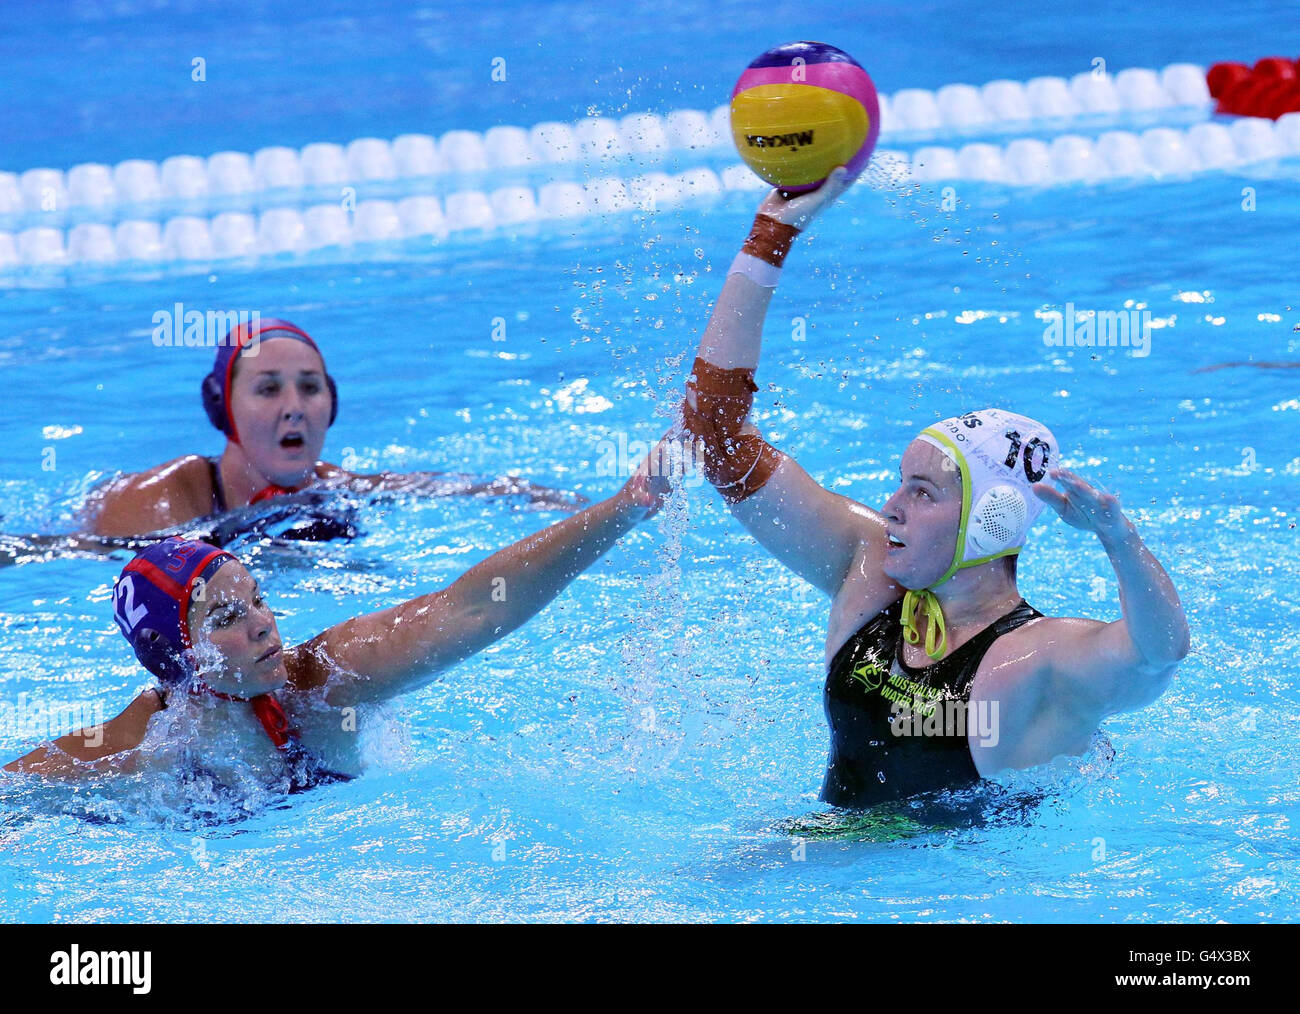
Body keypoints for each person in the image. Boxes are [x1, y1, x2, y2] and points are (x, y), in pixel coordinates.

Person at [677, 168, 1191, 808]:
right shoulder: (870, 571)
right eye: (901, 484)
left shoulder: (1030, 664)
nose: (890, 505)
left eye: (921, 492)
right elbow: (716, 435)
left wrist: (1120, 540)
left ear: (991, 521)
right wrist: (769, 236)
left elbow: (1157, 655)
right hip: (841, 863)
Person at [4, 451, 669, 790]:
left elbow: (473, 605)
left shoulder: (326, 681)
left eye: (259, 600)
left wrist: (621, 510)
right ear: (179, 656)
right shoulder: (137, 744)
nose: (266, 625)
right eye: (230, 617)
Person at [83, 317, 582, 542]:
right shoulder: (164, 502)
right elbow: (71, 555)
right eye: (269, 389)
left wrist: (528, 495)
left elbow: (436, 487)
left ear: (333, 402)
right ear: (221, 409)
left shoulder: (331, 487)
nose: (294, 408)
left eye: (310, 387)